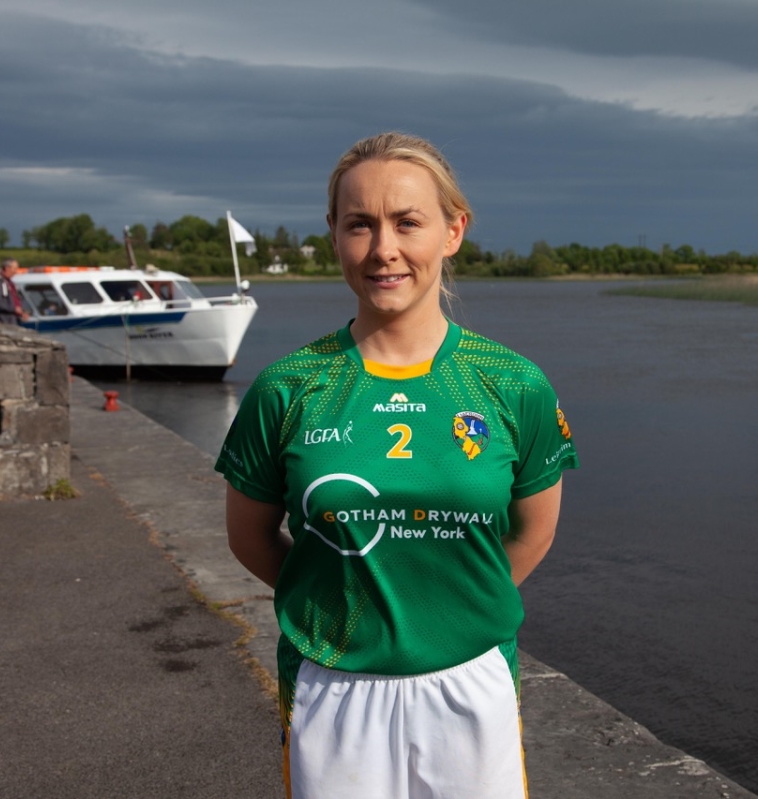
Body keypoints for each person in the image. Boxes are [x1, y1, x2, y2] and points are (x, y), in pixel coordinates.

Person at [214, 132, 579, 799]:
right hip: (333, 681)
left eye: (408, 222)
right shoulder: (288, 387)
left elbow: (533, 534)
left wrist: (448, 606)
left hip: (471, 678)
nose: (384, 249)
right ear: (334, 235)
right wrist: (336, 593)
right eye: (360, 224)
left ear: (452, 230)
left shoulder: (513, 383)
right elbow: (250, 537)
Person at [0, 258, 30, 324]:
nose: (16, 271)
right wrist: (13, 309)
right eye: (14, 269)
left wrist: (21, 312)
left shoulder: (9, 283)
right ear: (7, 268)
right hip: (3, 322)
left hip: (12, 321)